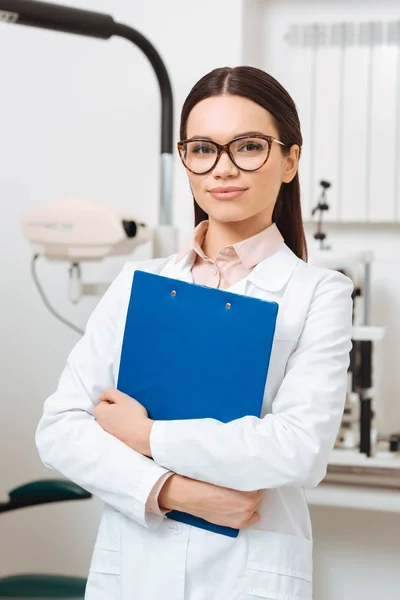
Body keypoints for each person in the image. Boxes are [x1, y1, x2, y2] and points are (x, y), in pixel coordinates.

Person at [35, 66, 353, 600]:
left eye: (248, 146)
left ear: (290, 160)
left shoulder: (320, 292)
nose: (222, 169)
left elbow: (298, 450)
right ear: (185, 159)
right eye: (202, 148)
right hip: (133, 566)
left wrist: (145, 436)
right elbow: (60, 429)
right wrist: (172, 492)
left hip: (248, 571)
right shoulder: (141, 281)